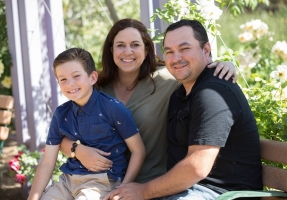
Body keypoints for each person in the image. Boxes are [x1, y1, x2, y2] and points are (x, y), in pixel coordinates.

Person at [60, 19, 237, 185]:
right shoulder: (96, 88)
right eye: (120, 45)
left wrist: (226, 65)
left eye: (135, 45)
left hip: (150, 183)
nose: (127, 52)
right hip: (99, 181)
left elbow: (194, 69)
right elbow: (60, 137)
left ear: (146, 50)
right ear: (111, 50)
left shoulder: (167, 80)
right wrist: (78, 150)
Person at [103, 19, 263, 200]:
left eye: (184, 48)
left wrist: (142, 191)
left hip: (222, 194)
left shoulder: (213, 92)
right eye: (169, 51)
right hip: (184, 189)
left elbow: (197, 167)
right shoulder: (179, 94)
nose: (176, 58)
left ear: (206, 50)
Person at [27, 48, 146, 200]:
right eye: (63, 79)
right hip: (67, 181)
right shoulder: (61, 114)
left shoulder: (113, 108)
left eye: (76, 76)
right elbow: (47, 162)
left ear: (92, 77)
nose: (70, 84)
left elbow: (138, 151)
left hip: (101, 182)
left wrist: (124, 188)